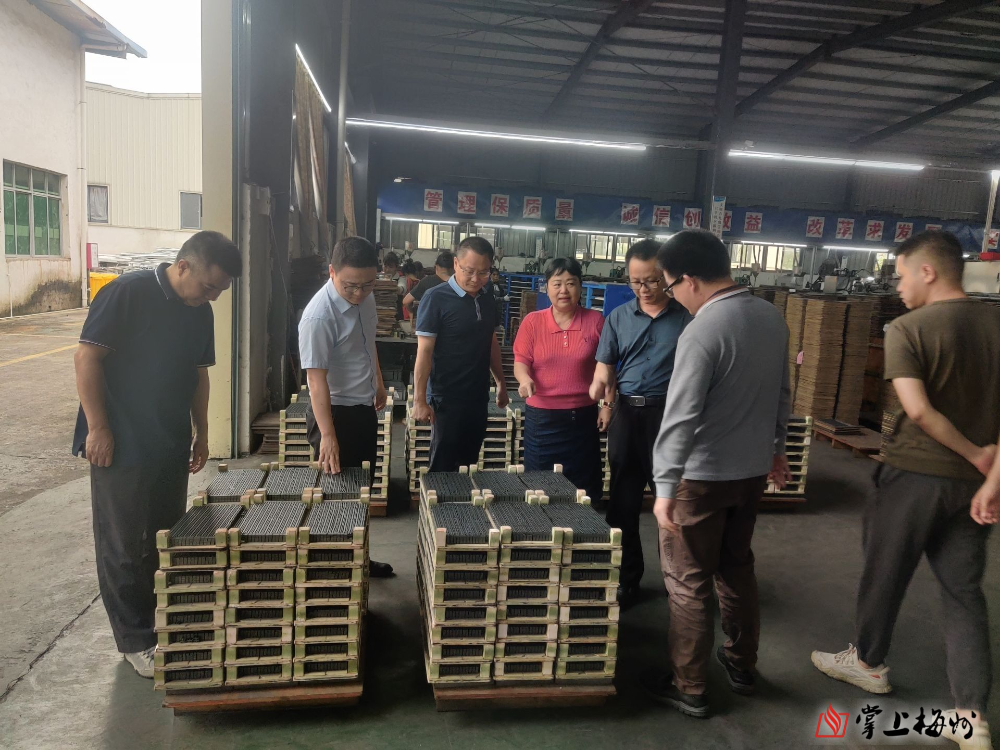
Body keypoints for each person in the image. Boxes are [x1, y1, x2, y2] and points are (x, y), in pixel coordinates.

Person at [811, 231, 999, 750]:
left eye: (900, 275)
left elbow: (918, 411)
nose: (897, 286)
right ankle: (971, 718)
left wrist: (975, 454)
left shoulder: (908, 329)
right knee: (963, 594)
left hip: (914, 476)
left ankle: (868, 662)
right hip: (973, 489)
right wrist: (991, 474)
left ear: (928, 272)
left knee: (885, 573)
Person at [73, 231, 242, 678]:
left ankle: (160, 622)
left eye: (220, 290)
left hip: (169, 439)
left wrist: (202, 432)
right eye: (209, 286)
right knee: (125, 544)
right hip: (122, 441)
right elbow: (86, 358)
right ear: (183, 266)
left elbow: (199, 375)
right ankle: (135, 640)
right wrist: (98, 428)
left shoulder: (199, 311)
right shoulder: (127, 293)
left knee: (163, 536)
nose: (212, 296)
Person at [638, 228, 791, 719]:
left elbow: (680, 416)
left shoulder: (702, 329)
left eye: (670, 285)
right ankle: (742, 664)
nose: (672, 295)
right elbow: (782, 393)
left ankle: (689, 685)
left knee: (687, 583)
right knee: (737, 568)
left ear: (689, 279)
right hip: (750, 473)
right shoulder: (770, 317)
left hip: (700, 479)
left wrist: (664, 487)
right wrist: (778, 449)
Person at [590, 239, 692, 607]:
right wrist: (600, 390)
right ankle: (627, 579)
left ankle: (680, 582)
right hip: (627, 416)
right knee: (623, 503)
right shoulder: (618, 317)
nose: (643, 288)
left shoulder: (687, 319)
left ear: (666, 277)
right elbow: (606, 364)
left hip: (669, 417)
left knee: (674, 502)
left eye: (651, 280)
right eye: (635, 281)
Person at [299, 236, 394, 578]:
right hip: (335, 415)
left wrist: (378, 382)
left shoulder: (365, 297)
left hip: (362, 409)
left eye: (367, 285)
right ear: (332, 272)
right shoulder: (318, 317)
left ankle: (359, 559)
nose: (359, 293)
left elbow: (368, 343)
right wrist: (328, 435)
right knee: (336, 495)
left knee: (360, 491)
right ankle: (335, 569)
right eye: (350, 286)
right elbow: (316, 381)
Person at [413, 236, 509, 471]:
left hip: (477, 396)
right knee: (443, 466)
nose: (476, 279)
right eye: (469, 271)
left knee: (469, 464)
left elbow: (491, 342)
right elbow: (424, 352)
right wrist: (419, 400)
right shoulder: (435, 298)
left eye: (483, 272)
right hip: (446, 399)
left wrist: (501, 383)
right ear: (456, 264)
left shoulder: (487, 297)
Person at [513, 257, 604, 502]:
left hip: (583, 417)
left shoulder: (595, 321)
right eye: (557, 284)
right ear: (547, 287)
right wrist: (524, 379)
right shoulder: (533, 322)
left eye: (571, 283)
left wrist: (607, 405)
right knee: (540, 486)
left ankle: (583, 525)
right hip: (542, 419)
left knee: (584, 488)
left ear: (580, 287)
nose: (564, 290)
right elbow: (521, 361)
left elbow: (607, 365)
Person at [403, 251, 453, 316]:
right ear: (454, 267)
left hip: (431, 320)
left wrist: (411, 312)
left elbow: (406, 301)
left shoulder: (427, 281)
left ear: (436, 266)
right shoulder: (459, 283)